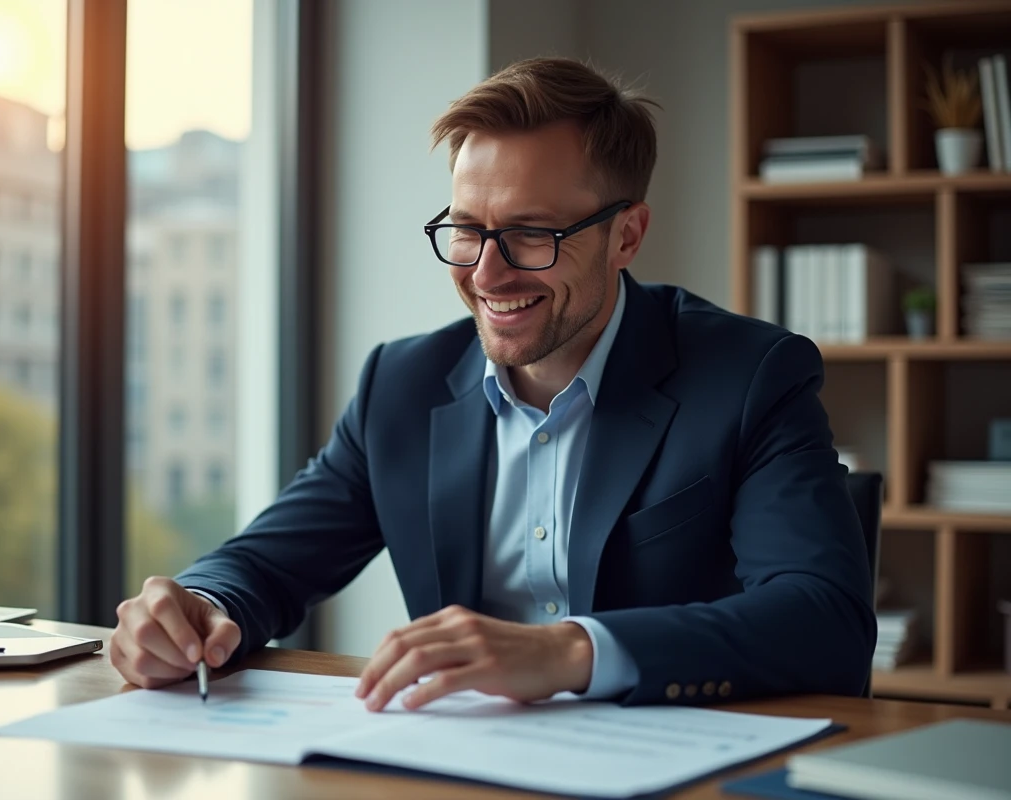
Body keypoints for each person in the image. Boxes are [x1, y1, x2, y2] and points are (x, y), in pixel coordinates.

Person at [110, 56, 876, 710]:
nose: (485, 272)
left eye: (531, 234)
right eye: (468, 229)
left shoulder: (749, 377)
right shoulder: (401, 385)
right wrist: (195, 607)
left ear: (626, 236)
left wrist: (572, 652)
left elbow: (823, 618)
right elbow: (268, 563)